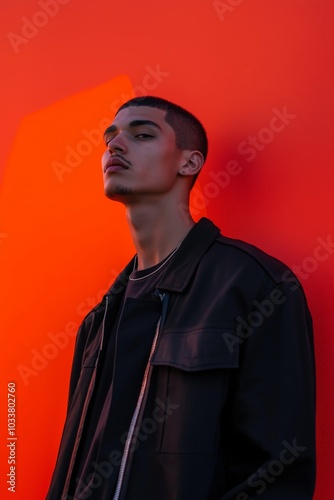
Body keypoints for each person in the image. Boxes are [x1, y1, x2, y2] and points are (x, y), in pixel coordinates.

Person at [47, 96, 316, 499]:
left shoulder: (254, 286)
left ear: (189, 163)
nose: (115, 146)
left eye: (141, 135)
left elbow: (277, 471)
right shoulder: (97, 321)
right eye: (110, 139)